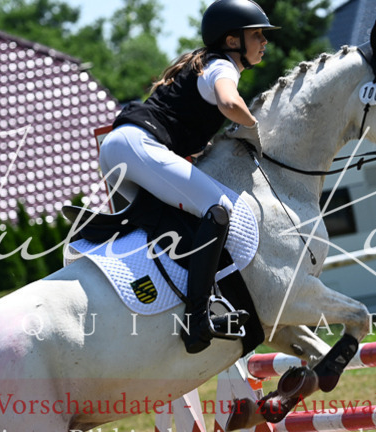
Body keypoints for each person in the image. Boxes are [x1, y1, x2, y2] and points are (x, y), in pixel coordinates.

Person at [98, 0, 277, 354]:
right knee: (219, 208)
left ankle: (163, 306)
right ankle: (198, 319)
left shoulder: (203, 64)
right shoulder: (223, 67)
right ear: (231, 40)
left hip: (117, 148)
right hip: (139, 146)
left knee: (169, 229)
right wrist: (256, 130)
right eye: (257, 35)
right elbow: (229, 104)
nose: (263, 42)